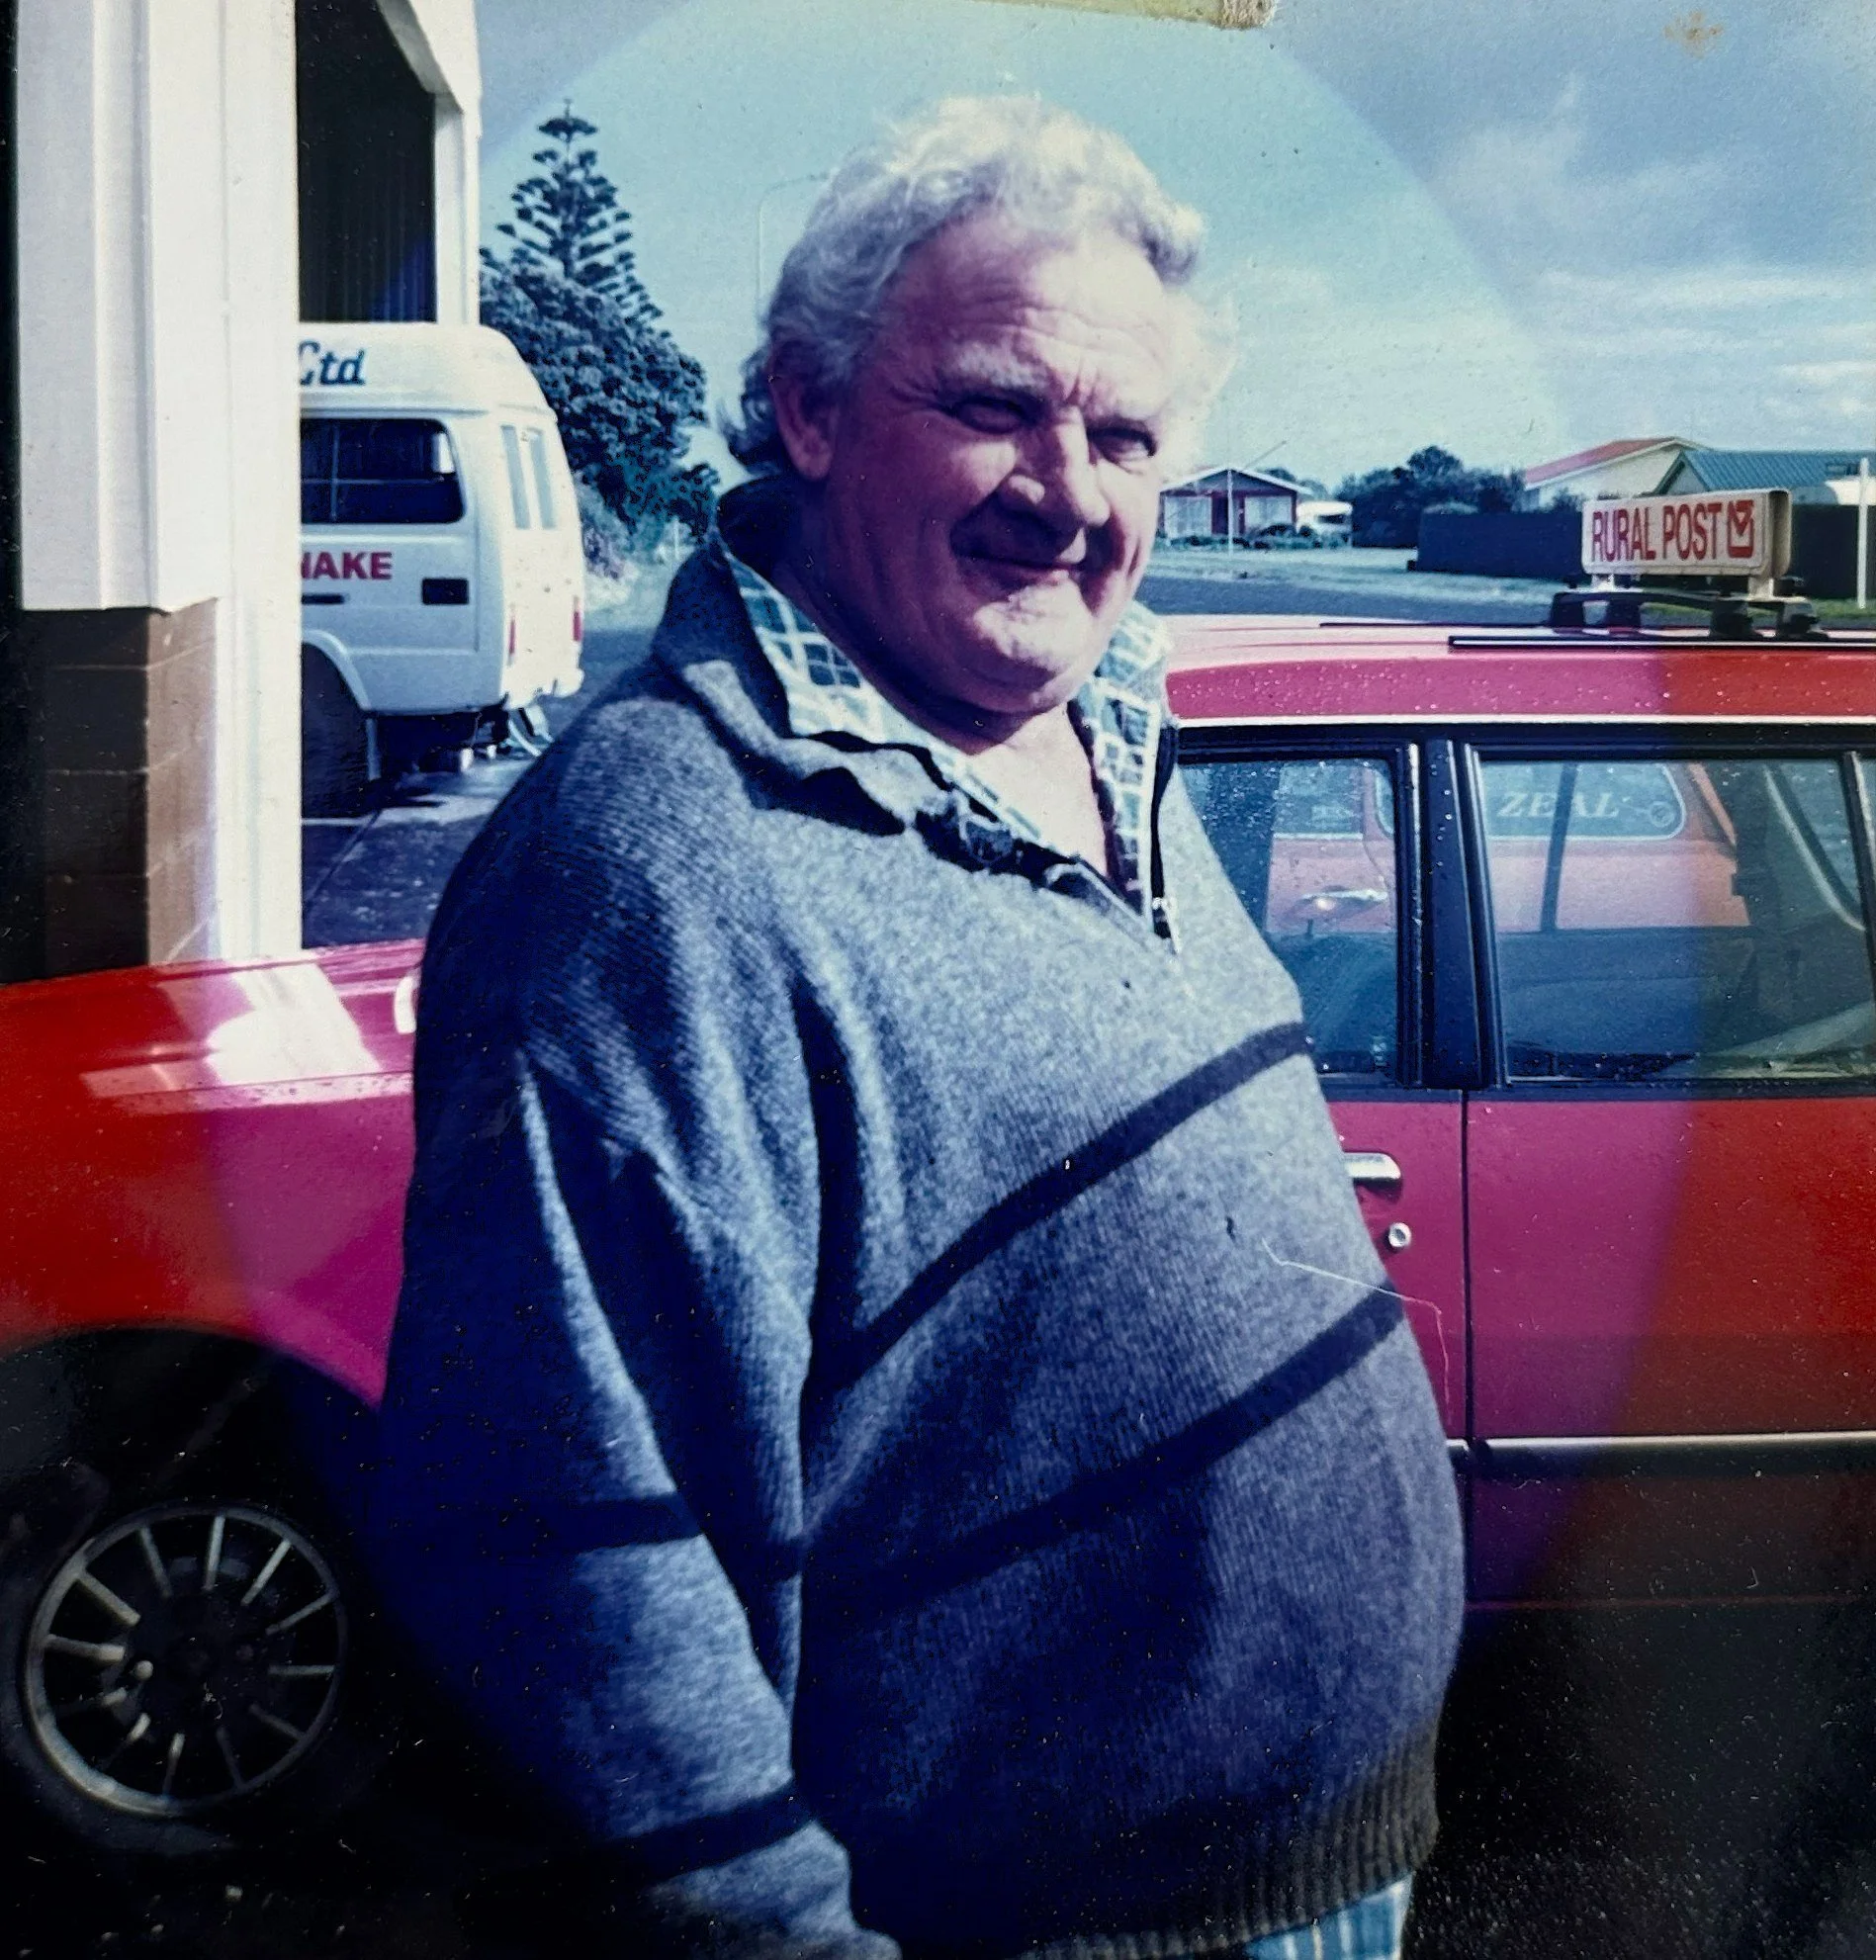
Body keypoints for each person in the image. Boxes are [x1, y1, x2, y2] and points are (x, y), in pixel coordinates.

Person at [364, 95, 1463, 1960]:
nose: (1073, 486)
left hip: (1328, 1875)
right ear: (806, 407)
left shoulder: (1099, 727)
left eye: (1124, 433)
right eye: (994, 403)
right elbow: (564, 1571)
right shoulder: (651, 868)